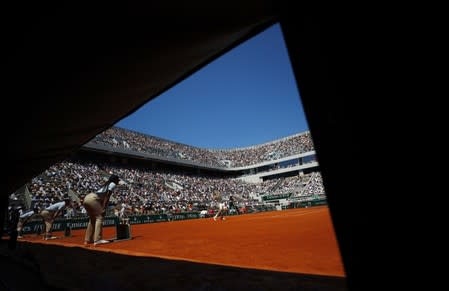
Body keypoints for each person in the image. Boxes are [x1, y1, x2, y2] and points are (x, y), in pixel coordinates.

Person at [83, 174, 120, 246]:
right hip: (93, 199)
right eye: (117, 180)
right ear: (114, 180)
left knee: (92, 219)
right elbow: (107, 196)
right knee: (100, 217)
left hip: (87, 198)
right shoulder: (113, 184)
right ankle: (97, 240)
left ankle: (88, 240)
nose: (118, 181)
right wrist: (104, 207)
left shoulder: (107, 184)